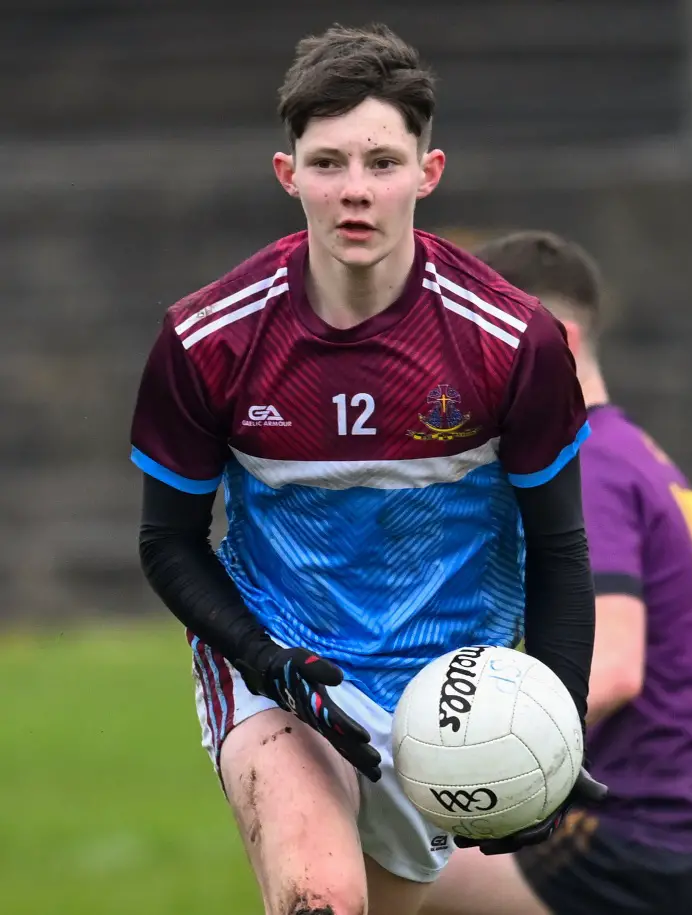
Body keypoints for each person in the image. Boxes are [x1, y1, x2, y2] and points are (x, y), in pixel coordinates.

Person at [130, 26, 603, 915]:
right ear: (288, 173)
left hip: (446, 695)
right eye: (328, 163)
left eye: (382, 162)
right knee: (322, 899)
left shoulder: (513, 342)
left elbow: (559, 550)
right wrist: (263, 658)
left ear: (428, 172)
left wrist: (557, 730)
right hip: (281, 665)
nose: (355, 189)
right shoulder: (209, 339)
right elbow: (168, 541)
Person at [422, 230, 692, 915]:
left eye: (483, 346)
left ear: (554, 342)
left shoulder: (587, 464)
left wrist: (470, 753)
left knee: (367, 849)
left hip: (645, 842)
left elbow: (612, 668)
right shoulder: (632, 452)